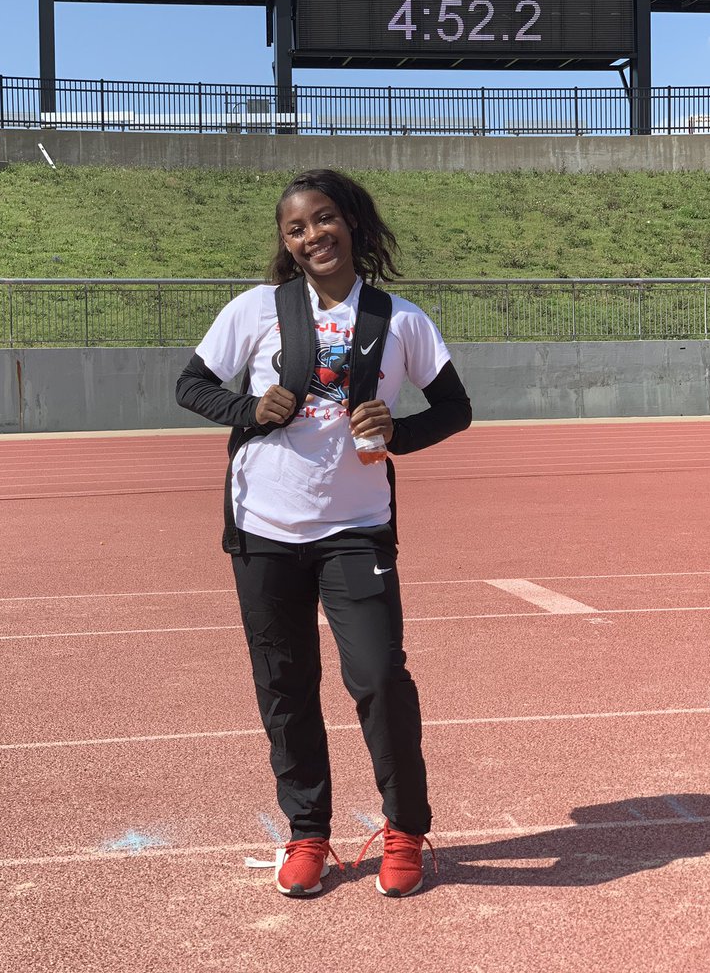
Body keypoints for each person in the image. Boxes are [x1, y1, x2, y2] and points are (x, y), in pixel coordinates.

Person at [176, 169, 472, 898]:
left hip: (356, 528)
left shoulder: (400, 319)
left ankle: (404, 830)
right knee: (285, 684)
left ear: (352, 223)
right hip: (264, 527)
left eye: (324, 218)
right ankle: (307, 834)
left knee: (379, 677)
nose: (313, 235)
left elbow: (455, 408)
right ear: (286, 243)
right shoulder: (257, 309)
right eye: (297, 228)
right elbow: (191, 384)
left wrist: (398, 431)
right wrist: (249, 409)